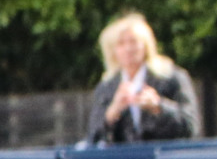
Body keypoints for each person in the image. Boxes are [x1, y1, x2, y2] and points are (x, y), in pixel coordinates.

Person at [86, 12, 201, 144]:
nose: (128, 48)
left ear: (146, 45)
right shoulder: (107, 86)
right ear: (113, 51)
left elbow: (191, 126)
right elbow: (93, 136)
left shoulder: (171, 77)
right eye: (121, 44)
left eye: (134, 41)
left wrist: (159, 106)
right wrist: (112, 112)